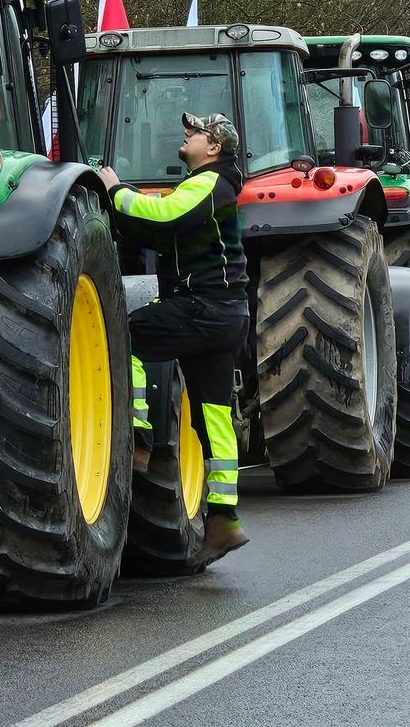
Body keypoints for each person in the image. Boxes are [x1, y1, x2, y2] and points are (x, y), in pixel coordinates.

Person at [99, 112, 250, 566]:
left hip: (202, 307)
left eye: (197, 131)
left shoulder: (207, 182)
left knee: (128, 336)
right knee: (214, 417)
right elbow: (156, 229)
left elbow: (161, 217)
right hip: (227, 313)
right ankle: (224, 519)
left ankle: (139, 439)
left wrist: (114, 189)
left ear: (215, 146)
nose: (187, 133)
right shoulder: (207, 187)